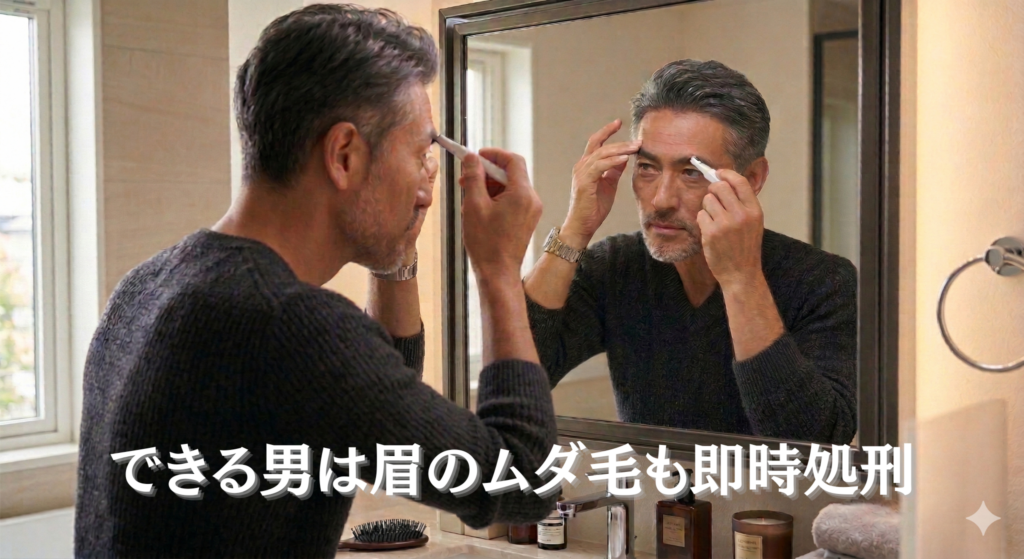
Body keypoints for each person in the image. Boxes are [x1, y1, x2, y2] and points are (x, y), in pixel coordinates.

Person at [75, 5, 555, 558]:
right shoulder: (289, 323)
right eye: (419, 152)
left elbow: (371, 406)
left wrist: (396, 253)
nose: (427, 179)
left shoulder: (147, 287)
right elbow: (524, 479)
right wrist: (498, 270)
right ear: (344, 154)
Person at [524, 59, 857, 444]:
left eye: (692, 172)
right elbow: (519, 377)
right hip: (651, 485)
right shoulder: (615, 267)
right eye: (647, 168)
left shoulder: (823, 282)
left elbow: (817, 441)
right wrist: (574, 231)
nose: (661, 200)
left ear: (752, 178)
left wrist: (741, 279)